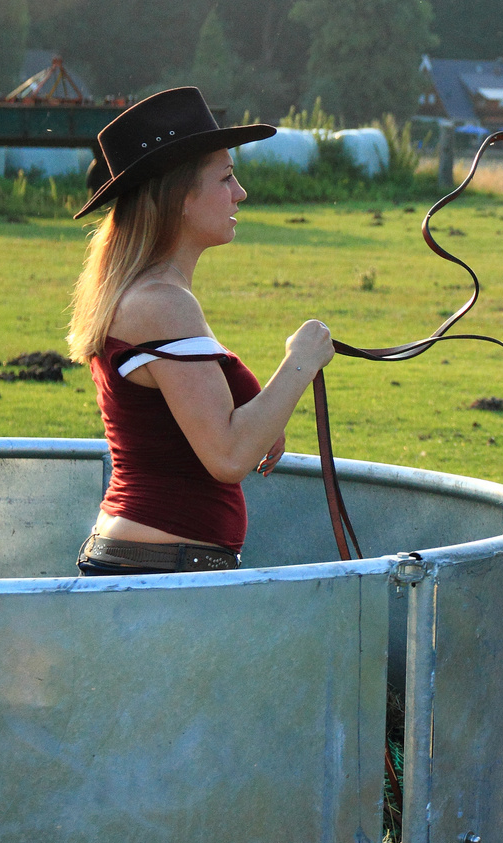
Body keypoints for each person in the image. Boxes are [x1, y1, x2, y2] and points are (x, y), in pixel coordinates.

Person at [66, 87, 334, 575]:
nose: (241, 193)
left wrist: (260, 419)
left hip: (150, 562)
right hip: (162, 570)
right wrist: (301, 360)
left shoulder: (146, 296)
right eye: (226, 178)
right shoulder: (164, 305)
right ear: (179, 199)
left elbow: (201, 433)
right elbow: (228, 457)